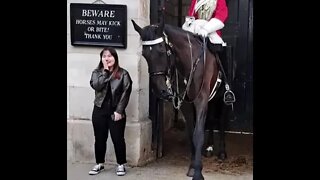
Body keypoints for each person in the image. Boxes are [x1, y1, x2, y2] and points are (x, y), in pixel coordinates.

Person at [88, 47, 132, 176]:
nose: (107, 58)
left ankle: (121, 164)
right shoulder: (97, 73)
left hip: (115, 111)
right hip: (99, 110)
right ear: (101, 59)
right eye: (104, 56)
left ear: (115, 58)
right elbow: (96, 85)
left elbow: (126, 92)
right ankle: (99, 163)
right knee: (100, 138)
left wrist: (119, 111)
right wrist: (106, 73)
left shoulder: (123, 74)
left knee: (118, 138)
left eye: (110, 56)